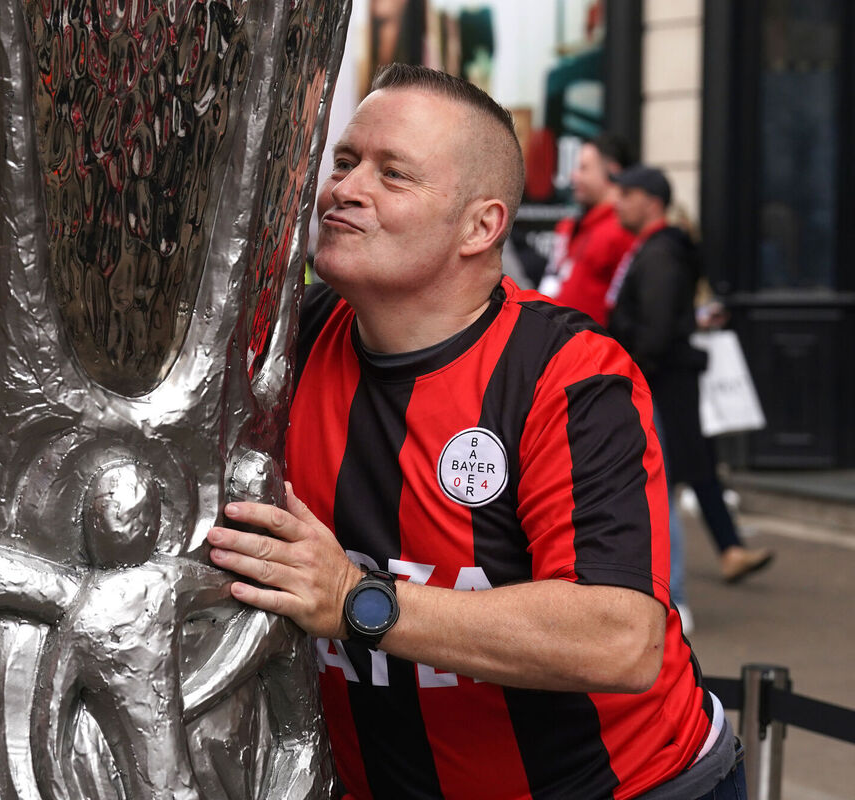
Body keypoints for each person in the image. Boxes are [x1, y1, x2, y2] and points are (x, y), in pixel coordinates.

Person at [208, 65, 745, 799]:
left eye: (393, 174)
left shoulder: (568, 374)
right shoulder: (287, 349)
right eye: (344, 161)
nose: (344, 190)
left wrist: (355, 600)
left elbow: (620, 639)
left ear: (482, 226)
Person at [608, 165, 773, 586]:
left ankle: (671, 583)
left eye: (627, 195)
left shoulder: (660, 253)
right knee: (694, 464)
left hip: (662, 378)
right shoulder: (653, 249)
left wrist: (629, 370)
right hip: (666, 374)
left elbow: (657, 327)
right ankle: (729, 548)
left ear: (652, 202)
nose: (619, 203)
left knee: (665, 476)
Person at [536, 132, 635, 326]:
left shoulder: (622, 228)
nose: (574, 176)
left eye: (583, 168)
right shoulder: (577, 224)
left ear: (612, 172)